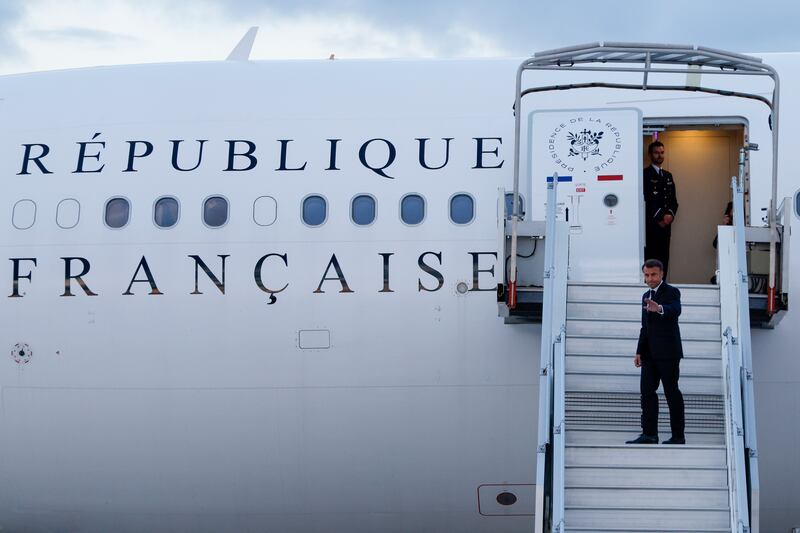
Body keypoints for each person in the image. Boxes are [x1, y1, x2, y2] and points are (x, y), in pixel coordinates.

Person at [626, 259, 686, 445]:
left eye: (653, 274)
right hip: (649, 355)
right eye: (647, 275)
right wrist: (639, 351)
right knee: (646, 393)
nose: (650, 278)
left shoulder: (671, 291)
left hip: (668, 353)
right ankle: (649, 434)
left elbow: (675, 310)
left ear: (661, 274)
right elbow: (645, 327)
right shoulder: (645, 295)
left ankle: (678, 436)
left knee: (671, 393)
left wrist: (659, 308)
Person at [643, 141, 678, 278]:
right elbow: (647, 200)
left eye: (662, 152)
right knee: (651, 259)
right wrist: (660, 217)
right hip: (651, 226)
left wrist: (670, 215)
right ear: (650, 154)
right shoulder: (645, 174)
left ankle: (662, 287)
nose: (660, 155)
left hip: (666, 227)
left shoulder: (668, 176)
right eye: (657, 152)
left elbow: (674, 201)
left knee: (664, 259)